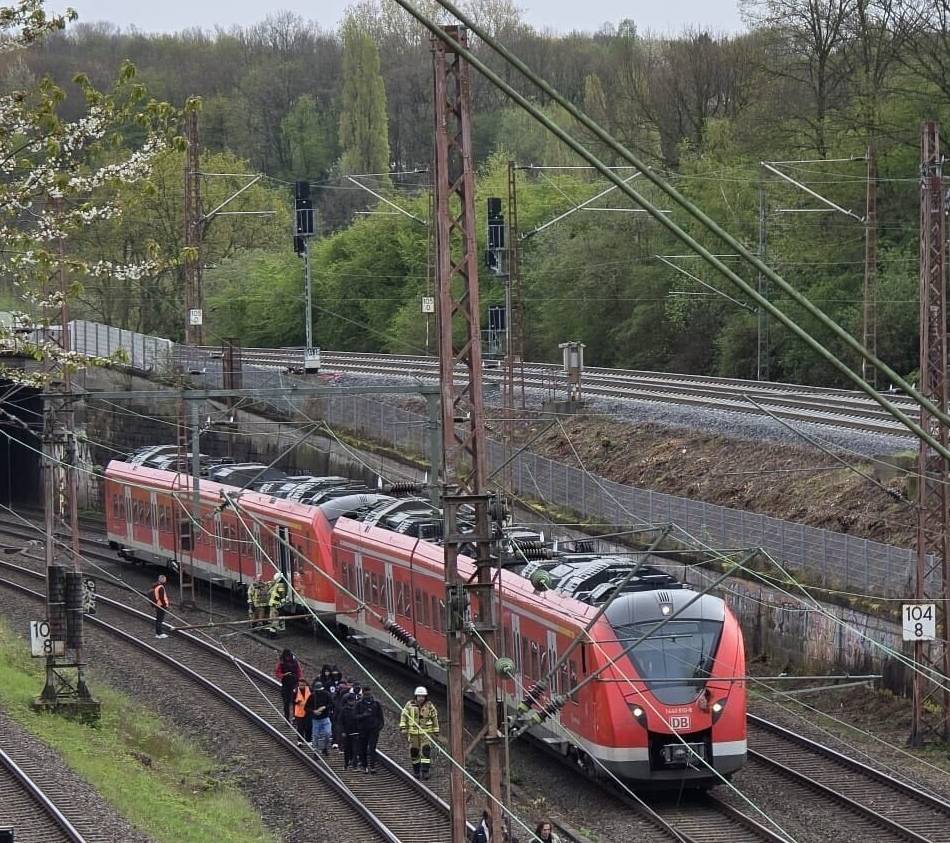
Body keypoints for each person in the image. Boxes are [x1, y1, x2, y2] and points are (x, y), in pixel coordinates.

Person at [399, 686, 439, 779]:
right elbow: (404, 716)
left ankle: (425, 771)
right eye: (419, 696)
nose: (421, 698)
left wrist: (436, 730)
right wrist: (403, 727)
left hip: (425, 733)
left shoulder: (429, 706)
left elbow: (434, 718)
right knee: (414, 751)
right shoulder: (409, 705)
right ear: (416, 696)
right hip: (413, 734)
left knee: (426, 750)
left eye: (423, 696)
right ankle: (416, 771)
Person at [355, 687, 384, 773]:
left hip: (373, 729)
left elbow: (380, 716)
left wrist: (379, 726)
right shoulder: (359, 704)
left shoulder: (376, 704)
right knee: (363, 747)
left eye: (369, 694)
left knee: (372, 748)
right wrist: (363, 715)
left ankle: (372, 766)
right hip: (363, 729)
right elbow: (355, 716)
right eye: (366, 694)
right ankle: (364, 765)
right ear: (363, 695)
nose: (368, 696)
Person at [274, 648, 302, 723]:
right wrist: (284, 675)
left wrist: (298, 680)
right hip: (286, 684)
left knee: (295, 701)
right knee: (286, 702)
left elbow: (299, 672)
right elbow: (277, 673)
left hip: (294, 683)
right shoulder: (281, 662)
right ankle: (287, 718)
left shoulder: (295, 662)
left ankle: (295, 717)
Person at [308, 679, 334, 756]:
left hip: (325, 718)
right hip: (316, 719)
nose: (319, 692)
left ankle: (325, 748)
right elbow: (306, 707)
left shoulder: (327, 694)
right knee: (316, 736)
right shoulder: (312, 696)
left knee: (328, 733)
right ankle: (316, 751)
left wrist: (325, 707)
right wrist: (313, 711)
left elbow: (332, 704)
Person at [339, 691, 360, 770]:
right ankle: (346, 763)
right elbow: (340, 721)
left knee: (355, 749)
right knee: (347, 749)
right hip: (347, 732)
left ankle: (354, 765)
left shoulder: (357, 709)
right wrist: (343, 731)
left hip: (356, 732)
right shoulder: (344, 710)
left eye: (353, 700)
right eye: (350, 701)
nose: (352, 702)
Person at [150, 574, 170, 639]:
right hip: (161, 606)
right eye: (165, 579)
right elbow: (162, 598)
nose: (166, 580)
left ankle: (158, 633)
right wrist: (165, 605)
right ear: (163, 580)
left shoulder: (156, 586)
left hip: (158, 605)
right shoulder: (161, 587)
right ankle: (159, 634)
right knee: (159, 620)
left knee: (158, 619)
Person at [293, 679, 312, 745]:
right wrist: (296, 702)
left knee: (308, 726)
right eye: (300, 685)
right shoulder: (295, 691)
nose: (302, 686)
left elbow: (313, 698)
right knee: (300, 727)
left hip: (308, 712)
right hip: (299, 712)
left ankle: (309, 740)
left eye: (303, 685)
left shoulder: (309, 689)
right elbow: (292, 700)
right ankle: (300, 740)